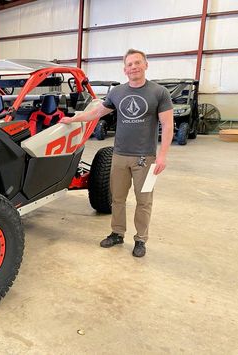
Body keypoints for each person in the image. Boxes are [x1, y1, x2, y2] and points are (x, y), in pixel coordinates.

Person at [60, 49, 173, 257]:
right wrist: (73, 119)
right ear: (124, 69)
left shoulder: (159, 93)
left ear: (146, 65)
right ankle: (117, 233)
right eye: (129, 64)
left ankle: (140, 240)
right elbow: (96, 112)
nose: (134, 67)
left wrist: (162, 156)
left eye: (138, 63)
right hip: (119, 156)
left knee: (144, 201)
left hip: (146, 158)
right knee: (118, 198)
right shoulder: (117, 92)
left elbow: (167, 125)